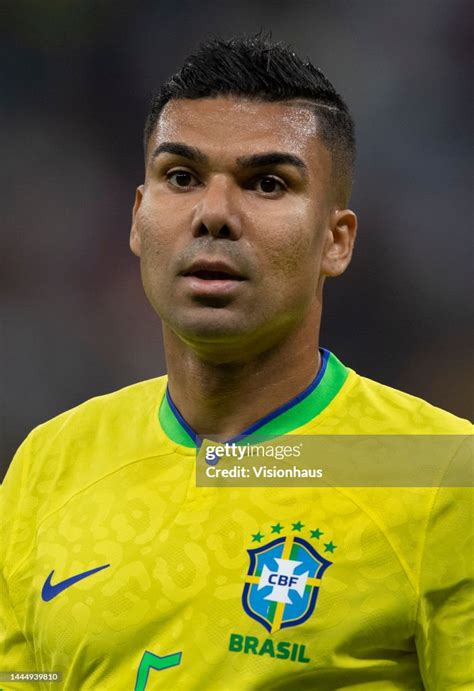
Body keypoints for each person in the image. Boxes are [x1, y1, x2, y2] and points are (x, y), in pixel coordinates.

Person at [1, 35, 472, 691]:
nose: (214, 214)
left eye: (268, 183)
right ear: (138, 219)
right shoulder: (50, 462)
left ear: (335, 241)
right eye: (182, 177)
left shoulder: (444, 472)